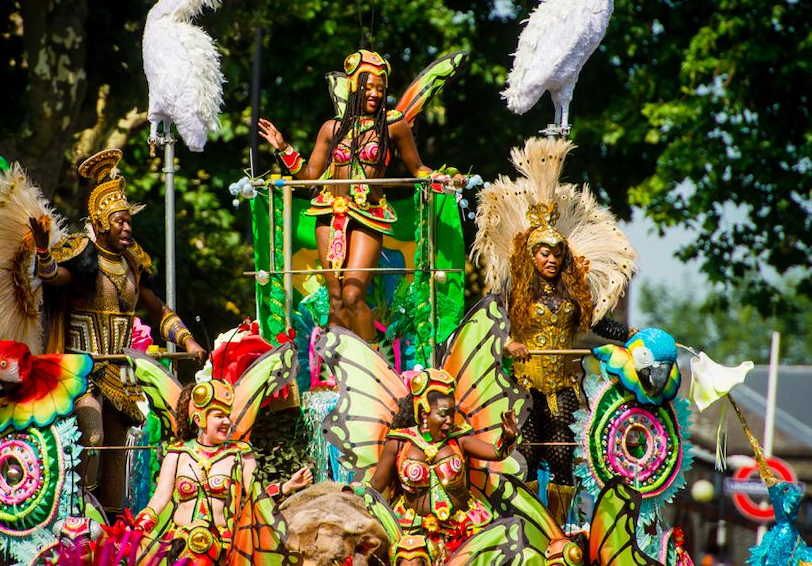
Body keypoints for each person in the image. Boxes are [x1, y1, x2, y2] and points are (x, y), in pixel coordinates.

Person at [26, 148, 206, 512]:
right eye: (120, 222)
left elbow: (159, 310)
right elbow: (53, 277)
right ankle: (74, 516)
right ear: (101, 223)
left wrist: (188, 341)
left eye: (128, 221)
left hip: (122, 376)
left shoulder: (133, 264)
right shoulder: (83, 254)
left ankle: (109, 530)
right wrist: (43, 252)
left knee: (119, 459)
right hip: (83, 373)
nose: (127, 228)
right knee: (92, 437)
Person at [471, 137, 637, 521]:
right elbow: (489, 329)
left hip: (563, 387)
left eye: (557, 254)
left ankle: (559, 529)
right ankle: (526, 524)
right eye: (545, 253)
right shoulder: (512, 294)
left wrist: (634, 336)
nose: (551, 260)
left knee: (562, 456)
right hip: (523, 386)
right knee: (527, 455)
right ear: (531, 256)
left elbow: (599, 323)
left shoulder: (573, 294)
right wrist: (509, 344)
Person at [257, 50, 454, 342]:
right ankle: (336, 365)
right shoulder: (332, 128)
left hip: (368, 215)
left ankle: (374, 362)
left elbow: (418, 168)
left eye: (380, 88)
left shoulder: (393, 125)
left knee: (352, 295)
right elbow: (309, 176)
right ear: (353, 87)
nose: (375, 94)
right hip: (328, 214)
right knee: (336, 298)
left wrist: (441, 177)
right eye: (368, 87)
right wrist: (283, 147)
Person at [137, 380, 306, 565]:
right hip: (180, 547)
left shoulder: (240, 454)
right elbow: (160, 499)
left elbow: (257, 497)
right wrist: (137, 527)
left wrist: (285, 487)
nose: (227, 422)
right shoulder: (177, 454)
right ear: (199, 420)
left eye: (227, 416)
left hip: (224, 550)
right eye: (219, 416)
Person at [365, 369, 518, 566]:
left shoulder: (459, 439)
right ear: (424, 413)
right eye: (443, 414)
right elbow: (376, 485)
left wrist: (508, 437)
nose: (449, 421)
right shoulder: (399, 443)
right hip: (412, 533)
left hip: (462, 530)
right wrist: (354, 492)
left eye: (452, 414)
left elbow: (496, 452)